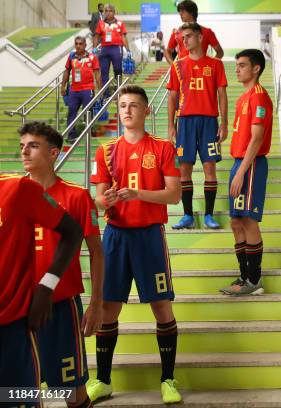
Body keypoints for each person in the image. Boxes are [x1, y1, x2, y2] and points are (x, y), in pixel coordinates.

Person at [88, 85, 182, 404]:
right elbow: (99, 200)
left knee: (161, 306)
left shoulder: (163, 148)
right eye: (123, 105)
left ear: (146, 111)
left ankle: (168, 379)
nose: (127, 110)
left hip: (149, 236)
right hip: (115, 236)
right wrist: (107, 199)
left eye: (134, 105)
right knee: (107, 309)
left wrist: (139, 193)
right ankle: (102, 381)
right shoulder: (106, 150)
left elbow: (174, 194)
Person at [19, 121, 104, 408]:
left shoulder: (77, 196)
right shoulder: (11, 195)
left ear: (54, 153)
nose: (25, 152)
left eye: (33, 146)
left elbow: (96, 252)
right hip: (18, 307)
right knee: (21, 391)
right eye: (22, 146)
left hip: (60, 306)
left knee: (72, 392)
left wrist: (96, 303)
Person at [0, 174, 82, 400]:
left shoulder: (18, 188)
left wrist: (47, 286)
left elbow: (73, 231)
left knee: (19, 398)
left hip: (13, 327)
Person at [219, 49, 273, 296]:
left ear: (256, 69)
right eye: (237, 65)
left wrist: (242, 172)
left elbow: (257, 139)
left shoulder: (260, 97)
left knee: (248, 220)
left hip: (250, 165)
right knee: (235, 221)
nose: (237, 69)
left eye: (242, 65)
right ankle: (244, 276)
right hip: (239, 163)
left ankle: (254, 279)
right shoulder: (243, 98)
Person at [167, 22, 228, 230]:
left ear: (200, 38)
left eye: (189, 36)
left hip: (209, 122)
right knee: (185, 169)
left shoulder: (215, 64)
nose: (185, 41)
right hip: (184, 122)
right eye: (183, 38)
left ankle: (209, 215)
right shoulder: (177, 65)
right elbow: (172, 95)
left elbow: (222, 94)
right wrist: (171, 126)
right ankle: (187, 215)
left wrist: (225, 123)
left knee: (210, 167)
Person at [61, 36, 102, 143]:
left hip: (87, 89)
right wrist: (63, 86)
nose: (78, 46)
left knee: (88, 112)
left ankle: (89, 133)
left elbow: (97, 73)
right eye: (76, 44)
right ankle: (71, 135)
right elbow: (66, 71)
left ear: (85, 45)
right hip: (74, 90)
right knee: (71, 112)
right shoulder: (71, 57)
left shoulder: (92, 57)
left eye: (80, 44)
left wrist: (100, 89)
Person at [164, 0, 223, 64]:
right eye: (179, 12)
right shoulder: (177, 33)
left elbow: (220, 52)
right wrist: (173, 66)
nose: (180, 14)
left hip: (201, 71)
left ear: (191, 12)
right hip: (183, 71)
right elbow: (168, 51)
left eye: (183, 11)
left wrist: (211, 65)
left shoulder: (207, 32)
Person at [93, 3, 130, 95]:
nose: (108, 13)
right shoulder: (101, 23)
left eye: (110, 11)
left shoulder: (120, 23)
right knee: (104, 71)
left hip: (116, 49)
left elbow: (123, 37)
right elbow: (96, 36)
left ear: (114, 12)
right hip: (104, 49)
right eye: (106, 11)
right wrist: (94, 48)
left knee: (117, 69)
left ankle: (118, 90)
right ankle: (105, 93)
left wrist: (128, 50)